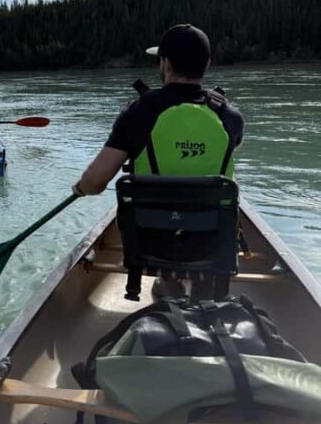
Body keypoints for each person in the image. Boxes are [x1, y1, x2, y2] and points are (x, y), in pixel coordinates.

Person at [71, 24, 244, 297]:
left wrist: (80, 187)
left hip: (150, 243)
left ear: (165, 63)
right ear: (207, 64)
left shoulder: (138, 113)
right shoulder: (229, 116)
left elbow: (96, 183)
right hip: (211, 242)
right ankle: (200, 285)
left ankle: (168, 284)